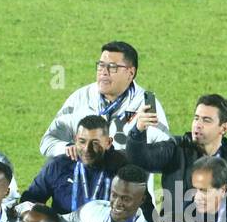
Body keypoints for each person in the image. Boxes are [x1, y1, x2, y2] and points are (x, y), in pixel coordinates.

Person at [126, 93, 227, 222]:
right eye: (196, 118)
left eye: (206, 120)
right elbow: (139, 159)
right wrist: (138, 130)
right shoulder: (176, 149)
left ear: (224, 128)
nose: (198, 125)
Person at [40, 41, 169, 156]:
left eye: (112, 67)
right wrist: (66, 148)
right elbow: (48, 140)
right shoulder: (80, 99)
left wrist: (134, 149)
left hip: (126, 181)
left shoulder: (145, 105)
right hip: (84, 180)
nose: (104, 72)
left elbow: (165, 153)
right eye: (101, 65)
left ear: (130, 73)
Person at [21, 115, 129, 214]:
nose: (87, 149)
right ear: (75, 139)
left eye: (95, 143)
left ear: (108, 143)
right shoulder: (59, 165)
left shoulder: (122, 168)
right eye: (82, 141)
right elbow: (29, 200)